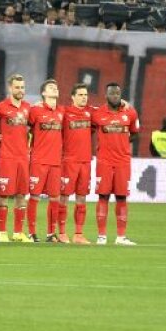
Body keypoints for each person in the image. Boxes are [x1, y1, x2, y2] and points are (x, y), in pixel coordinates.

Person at [90, 83, 140, 246]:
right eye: (112, 93)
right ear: (106, 95)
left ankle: (120, 237)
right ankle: (102, 236)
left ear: (121, 94)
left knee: (121, 197)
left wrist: (122, 144)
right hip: (104, 161)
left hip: (123, 162)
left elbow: (134, 133)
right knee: (103, 196)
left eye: (118, 93)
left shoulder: (130, 112)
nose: (115, 96)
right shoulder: (97, 114)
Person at [0, 73, 33, 243]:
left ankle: (18, 233)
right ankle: (2, 232)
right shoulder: (0, 107)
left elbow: (32, 127)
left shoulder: (28, 108)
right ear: (10, 88)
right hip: (7, 157)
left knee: (21, 194)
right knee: (4, 194)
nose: (20, 90)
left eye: (22, 87)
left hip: (23, 157)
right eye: (17, 87)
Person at [30, 80, 69, 242]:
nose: (55, 88)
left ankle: (50, 233)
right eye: (51, 87)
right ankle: (32, 233)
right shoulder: (35, 110)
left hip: (55, 162)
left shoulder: (62, 111)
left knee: (55, 198)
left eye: (56, 87)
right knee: (35, 197)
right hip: (39, 160)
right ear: (43, 93)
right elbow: (24, 127)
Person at [60, 83, 93, 244]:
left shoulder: (91, 113)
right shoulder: (64, 112)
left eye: (85, 94)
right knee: (64, 198)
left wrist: (123, 103)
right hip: (69, 162)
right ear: (72, 97)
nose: (83, 97)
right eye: (80, 95)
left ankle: (78, 234)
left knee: (82, 199)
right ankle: (61, 232)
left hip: (85, 162)